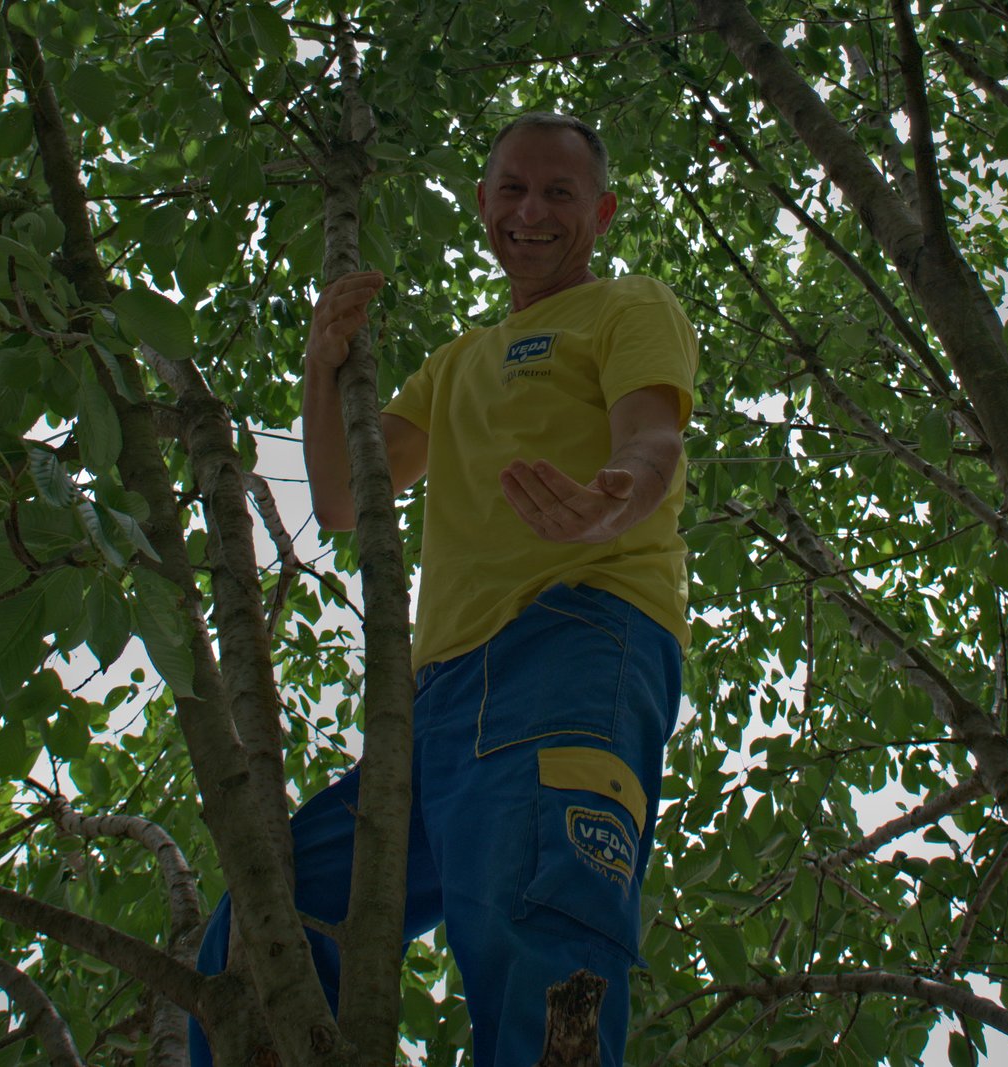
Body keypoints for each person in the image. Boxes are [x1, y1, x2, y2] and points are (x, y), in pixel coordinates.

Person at [190, 111, 698, 1067]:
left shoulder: (628, 305)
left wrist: (611, 499)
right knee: (273, 919)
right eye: (512, 189)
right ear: (483, 206)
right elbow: (342, 496)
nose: (532, 212)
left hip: (576, 640)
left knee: (543, 933)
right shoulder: (456, 361)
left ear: (603, 209)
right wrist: (321, 365)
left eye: (558, 193)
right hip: (436, 705)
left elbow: (654, 438)